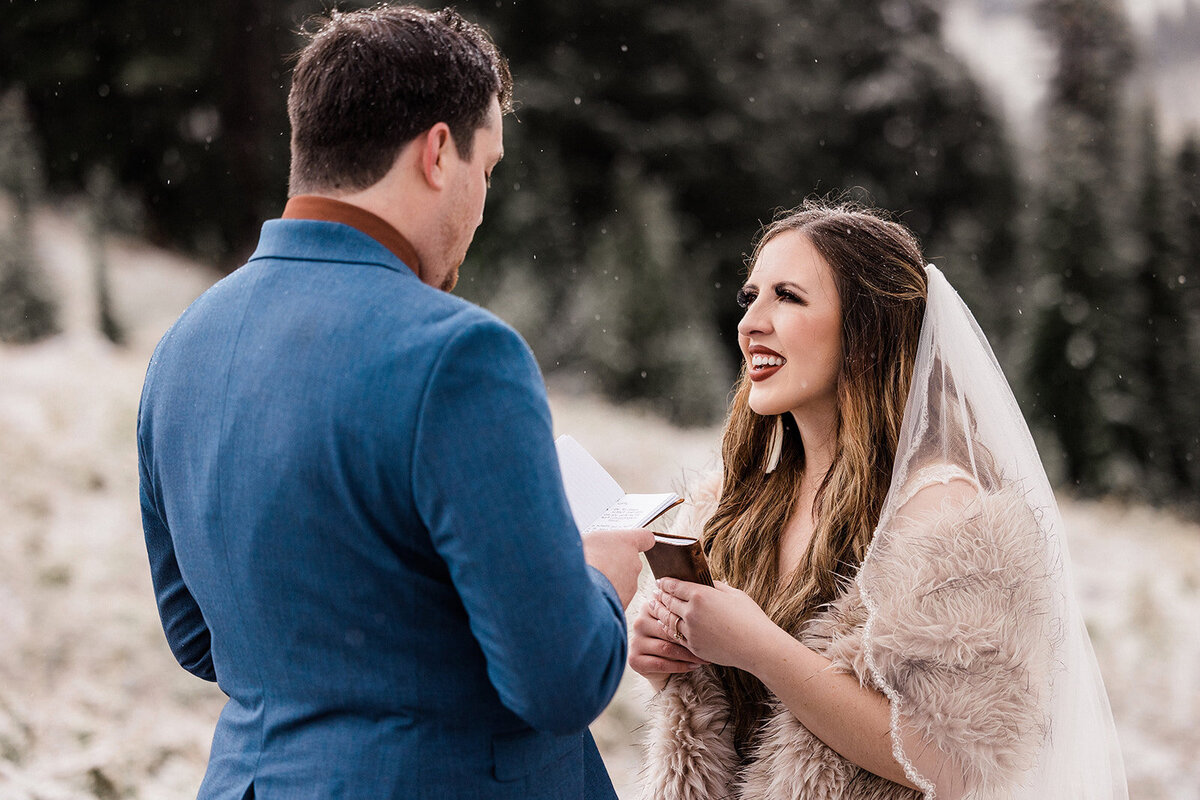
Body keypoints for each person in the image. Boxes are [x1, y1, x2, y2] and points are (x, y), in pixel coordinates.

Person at [137, 7, 652, 799]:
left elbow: (199, 637)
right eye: (489, 169)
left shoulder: (184, 345)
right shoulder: (459, 354)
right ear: (439, 153)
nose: (482, 204)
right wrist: (599, 574)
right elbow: (560, 678)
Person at [630, 200, 1128, 799]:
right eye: (750, 296)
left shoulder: (946, 517)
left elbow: (952, 763)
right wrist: (666, 659)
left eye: (787, 296)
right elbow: (732, 736)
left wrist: (761, 648)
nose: (750, 323)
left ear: (868, 329)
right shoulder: (731, 507)